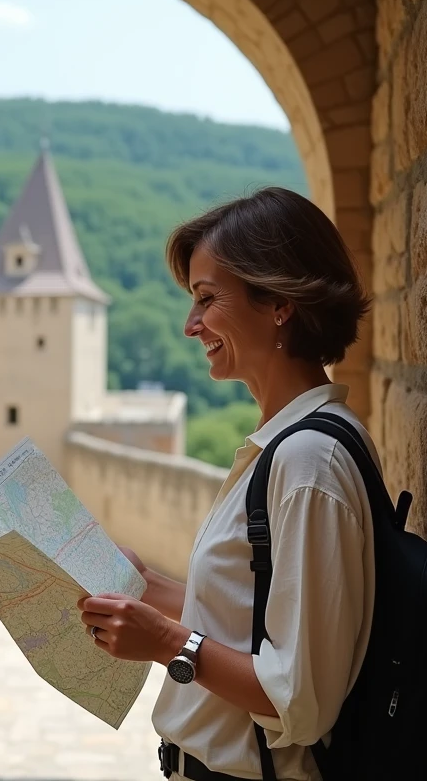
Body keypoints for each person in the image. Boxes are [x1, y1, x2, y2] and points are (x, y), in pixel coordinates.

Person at [78, 187, 377, 781]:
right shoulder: (284, 445)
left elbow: (300, 702)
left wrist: (167, 641)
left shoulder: (307, 464)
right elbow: (249, 611)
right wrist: (144, 586)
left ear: (279, 302)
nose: (191, 325)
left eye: (207, 299)